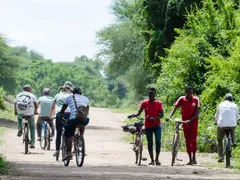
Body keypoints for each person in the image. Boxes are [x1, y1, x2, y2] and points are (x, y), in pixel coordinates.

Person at [129, 87, 164, 166]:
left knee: (158, 142)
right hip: (148, 126)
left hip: (157, 125)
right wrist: (133, 115)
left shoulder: (159, 103)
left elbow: (162, 114)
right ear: (148, 94)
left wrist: (155, 118)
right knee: (150, 143)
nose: (150, 95)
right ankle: (152, 160)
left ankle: (157, 159)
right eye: (149, 93)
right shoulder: (144, 103)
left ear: (155, 94)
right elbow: (139, 112)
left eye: (152, 93)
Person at [166, 86, 200, 165]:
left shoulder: (196, 99)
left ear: (192, 93)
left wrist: (190, 120)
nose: (189, 94)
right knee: (187, 140)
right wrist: (169, 116)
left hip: (193, 123)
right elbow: (175, 108)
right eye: (188, 92)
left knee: (193, 140)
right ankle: (190, 159)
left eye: (191, 92)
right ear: (185, 93)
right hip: (185, 122)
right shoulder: (182, 99)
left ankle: (194, 157)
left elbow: (197, 113)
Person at [60, 86, 90, 160]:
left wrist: (60, 116)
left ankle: (69, 152)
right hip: (85, 119)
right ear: (81, 93)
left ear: (73, 92)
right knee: (82, 124)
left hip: (74, 119)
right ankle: (81, 138)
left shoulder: (69, 98)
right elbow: (87, 110)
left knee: (68, 134)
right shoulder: (86, 98)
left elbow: (63, 109)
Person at [215, 93, 239, 163]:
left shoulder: (220, 105)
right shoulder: (235, 105)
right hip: (232, 124)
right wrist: (237, 121)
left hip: (221, 124)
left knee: (219, 140)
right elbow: (238, 117)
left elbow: (216, 117)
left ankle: (221, 156)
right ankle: (234, 141)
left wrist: (216, 122)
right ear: (232, 99)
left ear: (225, 98)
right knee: (233, 129)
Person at [50, 81, 73, 157]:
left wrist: (51, 116)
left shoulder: (57, 95)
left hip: (60, 114)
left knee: (59, 133)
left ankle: (57, 151)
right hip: (69, 114)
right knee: (69, 134)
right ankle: (69, 152)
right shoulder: (72, 96)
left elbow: (53, 107)